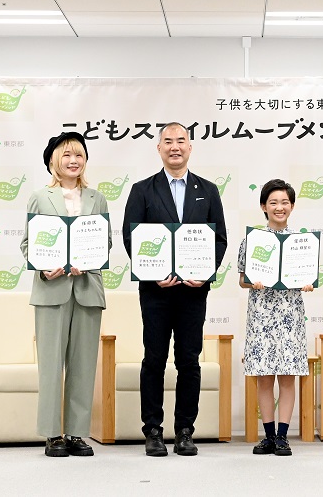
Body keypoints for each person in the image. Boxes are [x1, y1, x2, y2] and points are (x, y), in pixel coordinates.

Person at [122, 122, 227, 457]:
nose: (175, 147)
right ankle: (152, 430)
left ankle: (185, 431)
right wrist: (152, 275)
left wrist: (205, 272)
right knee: (154, 359)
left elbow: (219, 239)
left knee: (189, 360)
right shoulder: (142, 190)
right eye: (168, 141)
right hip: (155, 292)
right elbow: (131, 237)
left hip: (193, 291)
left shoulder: (208, 190)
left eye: (181, 140)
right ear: (159, 148)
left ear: (190, 147)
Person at [20, 132, 110, 457]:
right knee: (51, 364)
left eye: (79, 155)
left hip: (87, 289)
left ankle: (76, 433)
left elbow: (105, 242)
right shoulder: (40, 197)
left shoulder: (97, 198)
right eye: (67, 155)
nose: (74, 161)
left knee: (84, 364)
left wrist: (87, 260)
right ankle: (51, 434)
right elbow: (28, 244)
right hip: (51, 290)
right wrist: (44, 268)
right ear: (53, 161)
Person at [238, 179, 313, 457]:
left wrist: (307, 283)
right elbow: (242, 279)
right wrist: (253, 282)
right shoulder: (252, 239)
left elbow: (307, 278)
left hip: (290, 315)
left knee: (288, 377)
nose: (279, 207)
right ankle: (268, 436)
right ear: (263, 207)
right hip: (261, 315)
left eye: (284, 202)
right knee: (264, 378)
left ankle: (283, 436)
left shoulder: (301, 242)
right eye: (273, 202)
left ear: (291, 206)